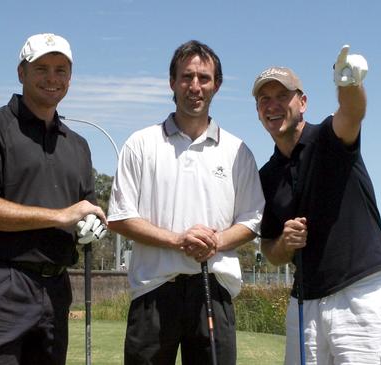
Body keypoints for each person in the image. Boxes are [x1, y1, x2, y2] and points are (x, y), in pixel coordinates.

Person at [107, 40, 265, 365]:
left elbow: (253, 220)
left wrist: (216, 241)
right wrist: (178, 240)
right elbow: (121, 218)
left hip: (214, 288)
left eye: (204, 78)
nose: (195, 86)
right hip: (153, 289)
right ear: (172, 82)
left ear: (216, 85)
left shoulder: (238, 152)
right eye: (186, 77)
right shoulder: (140, 144)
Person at [0, 33, 106, 365]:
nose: (52, 78)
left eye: (61, 70)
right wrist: (59, 216)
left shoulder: (78, 145)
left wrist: (90, 226)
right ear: (21, 73)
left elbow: (86, 211)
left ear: (70, 78)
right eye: (41, 68)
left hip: (55, 289)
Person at [253, 45, 381, 364]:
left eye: (282, 96)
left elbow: (352, 112)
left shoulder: (329, 138)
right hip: (304, 303)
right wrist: (285, 244)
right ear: (258, 110)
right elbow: (270, 251)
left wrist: (349, 81)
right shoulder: (266, 176)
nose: (273, 105)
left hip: (359, 294)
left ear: (302, 102)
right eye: (265, 99)